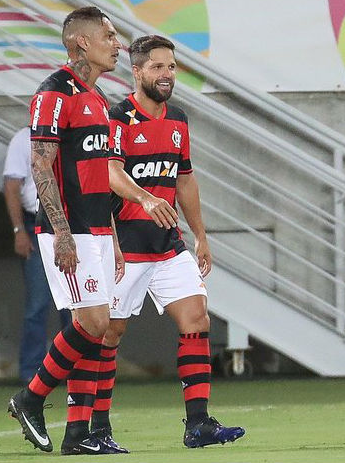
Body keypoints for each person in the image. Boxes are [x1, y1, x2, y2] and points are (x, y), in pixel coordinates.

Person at [89, 34, 244, 450]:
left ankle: (199, 424)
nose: (166, 74)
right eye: (157, 66)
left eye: (171, 67)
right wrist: (145, 198)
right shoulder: (118, 118)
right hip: (125, 246)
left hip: (167, 244)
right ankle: (96, 427)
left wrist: (201, 235)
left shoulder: (178, 119)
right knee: (109, 333)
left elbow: (185, 179)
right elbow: (111, 173)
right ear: (137, 71)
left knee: (197, 319)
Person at [7, 6, 126, 455]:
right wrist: (61, 233)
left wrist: (112, 239)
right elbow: (40, 165)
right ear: (82, 42)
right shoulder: (53, 92)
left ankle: (78, 435)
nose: (117, 44)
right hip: (69, 228)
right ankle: (30, 398)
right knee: (94, 323)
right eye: (109, 36)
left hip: (97, 228)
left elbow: (99, 175)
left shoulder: (97, 98)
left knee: (92, 327)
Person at [3, 126, 72, 382]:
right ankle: (31, 374)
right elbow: (12, 186)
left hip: (71, 224)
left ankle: (74, 371)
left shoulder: (70, 136)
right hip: (36, 225)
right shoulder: (23, 138)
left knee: (74, 305)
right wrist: (19, 230)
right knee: (37, 305)